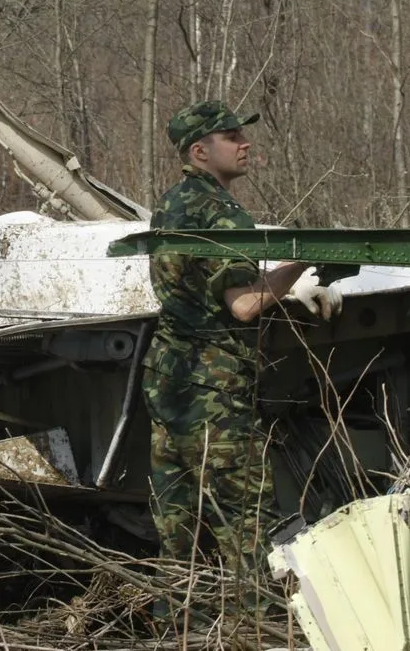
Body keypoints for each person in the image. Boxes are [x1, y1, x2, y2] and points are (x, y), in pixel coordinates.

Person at [142, 100, 338, 592]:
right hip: (215, 395)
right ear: (200, 151)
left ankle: (183, 628)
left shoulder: (173, 201)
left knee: (180, 533)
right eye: (230, 137)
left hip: (170, 381)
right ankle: (260, 632)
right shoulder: (222, 213)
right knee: (249, 526)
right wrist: (302, 265)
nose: (244, 142)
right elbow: (245, 305)